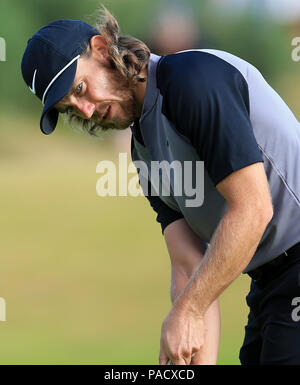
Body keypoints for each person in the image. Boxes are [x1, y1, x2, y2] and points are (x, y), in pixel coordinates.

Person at [21, 7, 300, 365]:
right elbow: (188, 267)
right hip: (271, 286)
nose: (85, 110)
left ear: (103, 50)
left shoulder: (190, 81)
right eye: (70, 107)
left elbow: (253, 209)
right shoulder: (143, 150)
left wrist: (189, 311)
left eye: (80, 88)